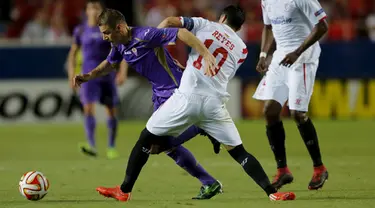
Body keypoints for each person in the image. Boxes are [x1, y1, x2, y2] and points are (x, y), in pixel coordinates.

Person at [89, 5, 296, 201]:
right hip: (215, 104)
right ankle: (271, 192)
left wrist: (160, 40)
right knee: (240, 152)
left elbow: (174, 24)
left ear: (222, 18)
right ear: (239, 27)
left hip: (187, 97)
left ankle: (124, 191)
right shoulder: (242, 49)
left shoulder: (206, 24)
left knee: (146, 139)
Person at [73, 8, 223, 199]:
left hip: (176, 91)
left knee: (154, 143)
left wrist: (206, 54)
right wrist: (88, 76)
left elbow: (181, 32)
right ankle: (209, 181)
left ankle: (204, 127)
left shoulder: (145, 35)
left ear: (119, 27)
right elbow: (109, 64)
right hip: (160, 95)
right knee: (165, 147)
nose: (104, 38)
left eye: (106, 33)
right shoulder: (119, 44)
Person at [253, 0, 329, 190]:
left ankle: (319, 168)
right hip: (281, 56)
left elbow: (322, 26)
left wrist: (297, 52)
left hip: (303, 57)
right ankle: (283, 171)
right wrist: (263, 55)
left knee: (297, 113)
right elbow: (268, 27)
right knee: (270, 111)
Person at [67, 0, 126, 159]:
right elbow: (73, 53)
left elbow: (122, 49)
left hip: (106, 74)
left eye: (96, 8)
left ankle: (112, 146)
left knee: (111, 110)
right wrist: (71, 73)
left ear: (101, 11)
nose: (93, 11)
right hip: (88, 75)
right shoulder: (80, 30)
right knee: (88, 108)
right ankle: (91, 145)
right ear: (86, 11)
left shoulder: (106, 29)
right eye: (91, 8)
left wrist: (122, 72)